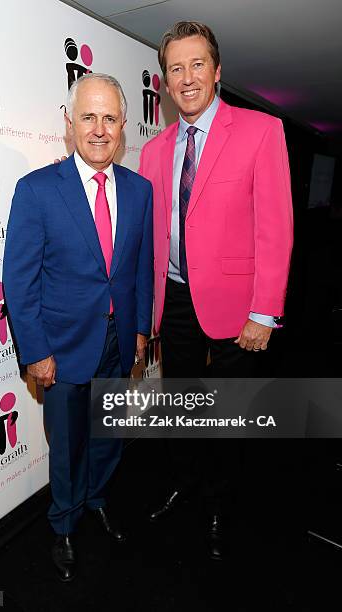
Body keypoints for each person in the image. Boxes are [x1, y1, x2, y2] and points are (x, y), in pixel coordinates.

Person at [138, 21, 293, 559]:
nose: (186, 78)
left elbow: (275, 229)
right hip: (175, 299)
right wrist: (148, 312)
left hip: (238, 306)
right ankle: (185, 481)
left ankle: (220, 503)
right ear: (164, 79)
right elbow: (153, 242)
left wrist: (265, 312)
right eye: (175, 68)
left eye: (196, 64)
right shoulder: (154, 152)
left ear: (217, 70)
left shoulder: (261, 130)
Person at [3, 73, 153, 582]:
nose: (98, 129)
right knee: (66, 444)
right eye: (88, 117)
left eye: (109, 118)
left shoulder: (140, 191)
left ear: (123, 126)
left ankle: (96, 498)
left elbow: (139, 268)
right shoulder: (37, 190)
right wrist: (35, 351)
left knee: (109, 433)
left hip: (119, 339)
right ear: (69, 124)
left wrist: (140, 331)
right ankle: (63, 523)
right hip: (62, 349)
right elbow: (19, 282)